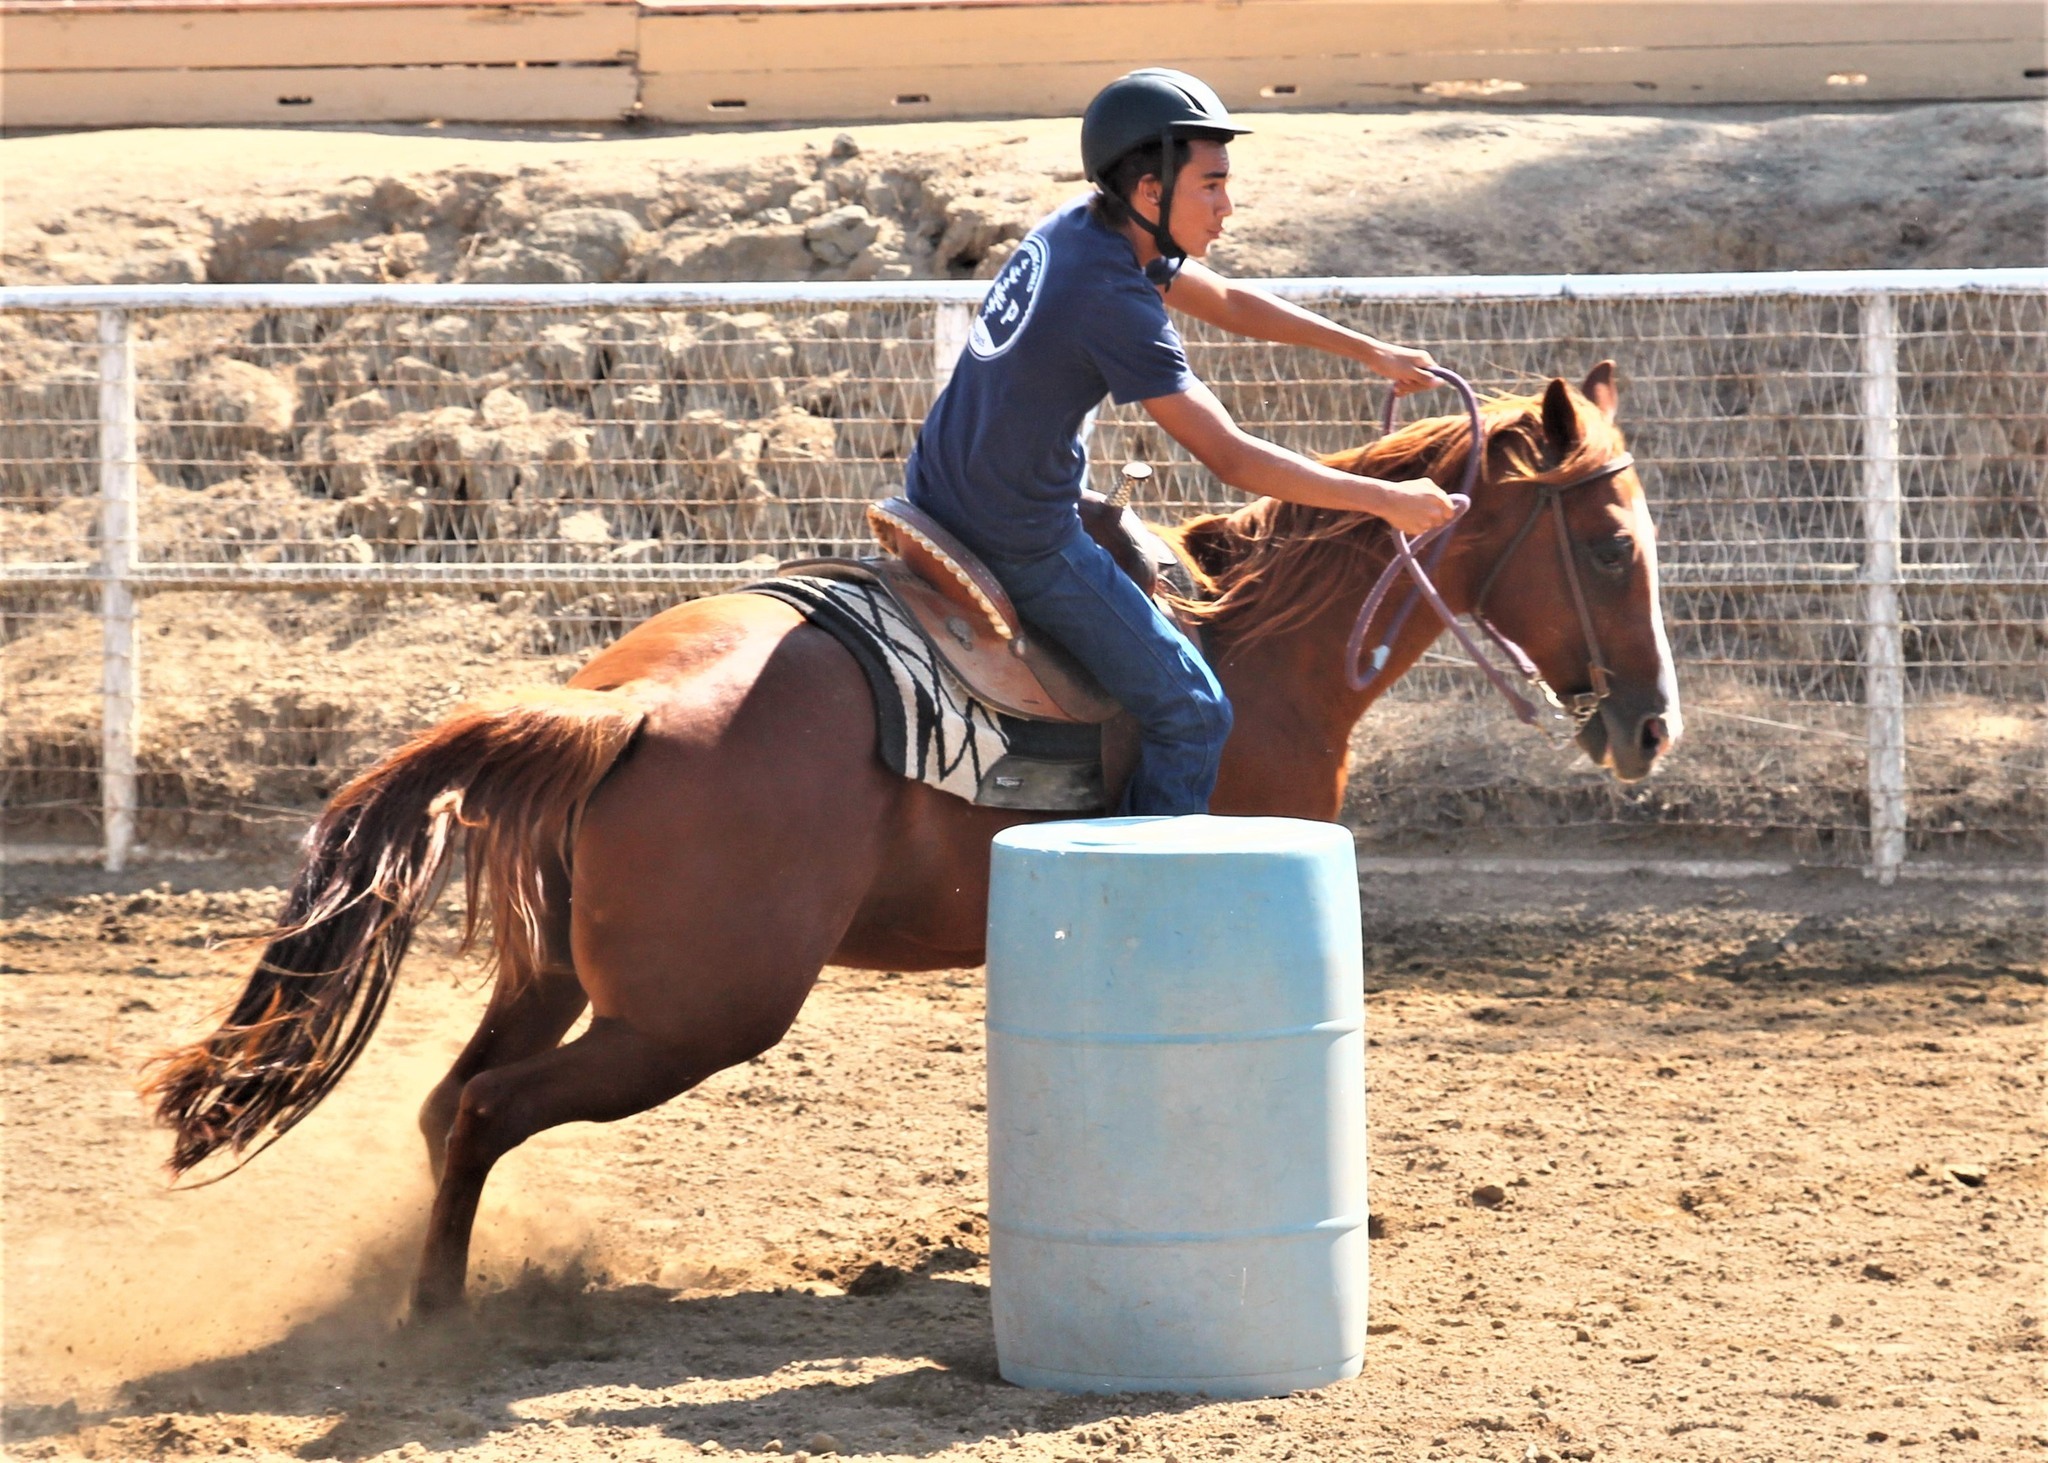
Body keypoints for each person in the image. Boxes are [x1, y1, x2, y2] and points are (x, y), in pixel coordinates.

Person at [903, 67, 1456, 816]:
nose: (1228, 207)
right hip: (1013, 531)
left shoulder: (1085, 227)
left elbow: (1225, 298)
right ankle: (1146, 898)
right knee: (1194, 710)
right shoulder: (1111, 298)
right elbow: (1229, 457)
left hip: (942, 484)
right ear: (1150, 193)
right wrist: (1387, 500)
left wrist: (1369, 352)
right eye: (1213, 186)